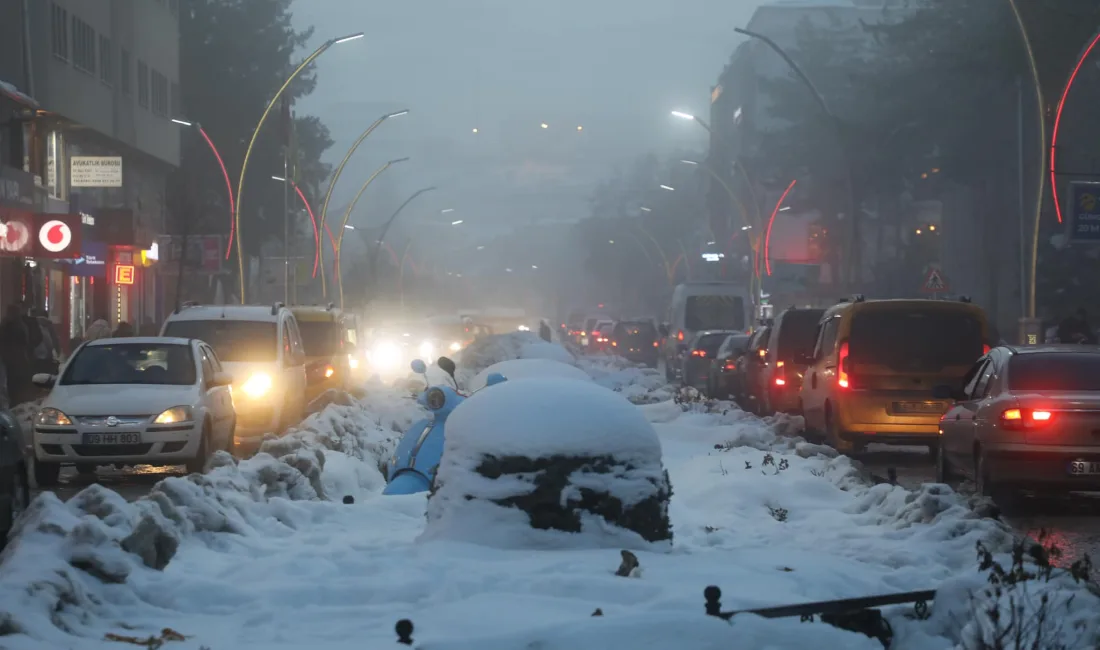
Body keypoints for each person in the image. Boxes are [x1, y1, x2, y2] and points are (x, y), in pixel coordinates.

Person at [0, 304, 31, 405]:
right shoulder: (21, 325)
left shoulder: (7, 325)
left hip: (11, 358)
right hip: (16, 358)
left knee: (12, 383)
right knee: (14, 383)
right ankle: (16, 402)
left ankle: (15, 402)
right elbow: (26, 341)